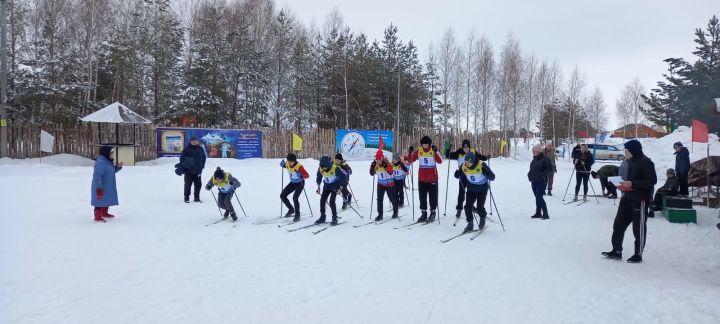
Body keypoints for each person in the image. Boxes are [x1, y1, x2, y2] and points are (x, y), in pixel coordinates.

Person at [602, 140, 657, 263]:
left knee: (638, 228)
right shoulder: (630, 161)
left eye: (626, 150)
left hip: (640, 199)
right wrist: (621, 184)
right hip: (627, 197)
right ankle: (616, 250)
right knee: (618, 225)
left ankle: (638, 254)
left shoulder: (646, 162)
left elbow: (652, 181)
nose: (625, 152)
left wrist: (632, 183)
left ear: (633, 150)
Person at [445, 139, 488, 218]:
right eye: (464, 148)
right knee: (461, 192)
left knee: (471, 193)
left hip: (472, 176)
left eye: (467, 147)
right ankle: (459, 209)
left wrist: (486, 157)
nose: (466, 149)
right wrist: (447, 149)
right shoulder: (459, 152)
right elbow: (448, 156)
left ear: (469, 147)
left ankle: (471, 207)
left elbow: (480, 157)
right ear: (462, 147)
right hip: (462, 175)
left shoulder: (473, 151)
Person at [455, 152, 495, 232]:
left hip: (482, 189)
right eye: (466, 161)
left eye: (469, 162)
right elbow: (460, 173)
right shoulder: (464, 166)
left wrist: (487, 173)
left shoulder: (481, 165)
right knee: (467, 206)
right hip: (471, 189)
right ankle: (470, 224)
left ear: (473, 161)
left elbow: (492, 177)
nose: (467, 164)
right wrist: (457, 174)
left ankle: (482, 217)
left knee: (480, 207)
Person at [408, 136, 443, 223]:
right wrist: (410, 153)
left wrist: (435, 152)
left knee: (432, 197)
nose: (425, 145)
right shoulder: (419, 150)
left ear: (430, 144)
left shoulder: (433, 150)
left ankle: (433, 212)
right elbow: (410, 160)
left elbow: (440, 161)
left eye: (427, 144)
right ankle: (423, 213)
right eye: (424, 143)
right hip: (422, 179)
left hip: (432, 179)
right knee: (422, 197)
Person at [91, 146, 124, 222]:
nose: (112, 155)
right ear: (106, 153)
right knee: (99, 201)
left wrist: (118, 167)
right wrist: (99, 188)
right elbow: (97, 176)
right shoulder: (101, 162)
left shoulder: (107, 161)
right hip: (100, 185)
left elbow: (110, 171)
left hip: (107, 185)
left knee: (106, 198)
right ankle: (98, 217)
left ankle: (104, 213)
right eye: (111, 153)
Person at [315, 156, 348, 225]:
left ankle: (334, 218)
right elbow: (319, 177)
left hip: (335, 186)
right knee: (322, 201)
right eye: (322, 167)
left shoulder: (335, 169)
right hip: (326, 186)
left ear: (329, 165)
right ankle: (322, 217)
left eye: (325, 167)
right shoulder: (320, 168)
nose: (324, 169)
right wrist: (318, 187)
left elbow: (343, 178)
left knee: (331, 202)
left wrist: (340, 189)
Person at [279, 153, 310, 222]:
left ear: (294, 161)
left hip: (300, 183)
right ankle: (291, 209)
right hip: (293, 183)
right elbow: (286, 166)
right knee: (282, 195)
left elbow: (307, 175)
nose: (289, 163)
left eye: (291, 162)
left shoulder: (299, 166)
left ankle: (297, 215)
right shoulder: (287, 163)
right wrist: (282, 165)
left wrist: (302, 176)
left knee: (295, 198)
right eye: (288, 161)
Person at [370, 150, 398, 221]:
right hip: (381, 184)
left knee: (392, 198)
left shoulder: (387, 163)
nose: (378, 161)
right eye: (376, 159)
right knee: (379, 199)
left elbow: (391, 172)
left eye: (379, 159)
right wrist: (372, 166)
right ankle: (380, 214)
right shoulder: (375, 164)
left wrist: (385, 165)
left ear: (382, 158)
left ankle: (395, 211)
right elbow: (371, 173)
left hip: (389, 184)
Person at [527, 144, 552, 219]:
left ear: (538, 151)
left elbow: (549, 169)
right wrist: (529, 174)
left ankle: (545, 213)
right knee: (537, 197)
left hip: (542, 181)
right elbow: (532, 168)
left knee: (539, 197)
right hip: (534, 181)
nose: (533, 152)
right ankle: (538, 213)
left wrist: (541, 173)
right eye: (532, 151)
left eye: (534, 151)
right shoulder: (534, 159)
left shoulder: (545, 159)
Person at [180, 137, 207, 203]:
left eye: (196, 140)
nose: (194, 142)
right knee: (188, 185)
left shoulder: (200, 149)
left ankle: (196, 198)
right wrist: (186, 166)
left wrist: (202, 166)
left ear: (197, 141)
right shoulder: (186, 149)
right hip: (189, 171)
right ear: (190, 141)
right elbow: (182, 159)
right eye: (193, 141)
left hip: (198, 171)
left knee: (198, 185)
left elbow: (203, 158)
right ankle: (186, 198)